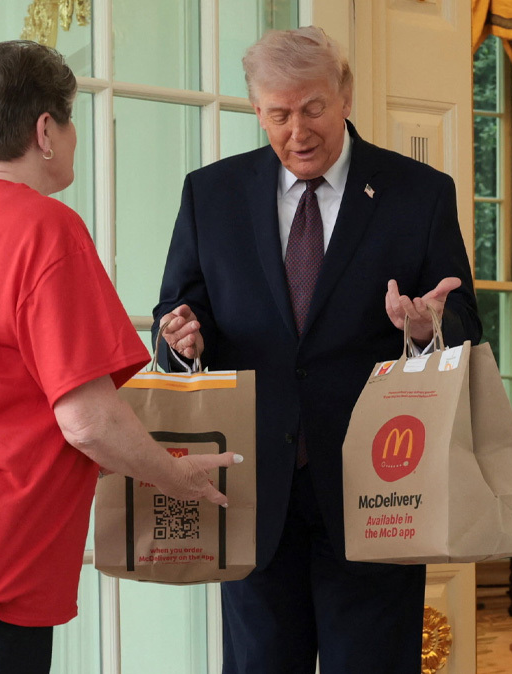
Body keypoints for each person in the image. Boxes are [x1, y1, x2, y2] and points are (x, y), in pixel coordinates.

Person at [0, 41, 240, 674]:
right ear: (44, 131)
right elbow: (86, 419)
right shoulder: (45, 228)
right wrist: (174, 476)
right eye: (68, 119)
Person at [154, 27, 482, 674]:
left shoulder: (418, 194)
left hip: (379, 490)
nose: (296, 131)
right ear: (257, 110)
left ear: (345, 97)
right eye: (278, 114)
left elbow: (463, 328)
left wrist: (422, 330)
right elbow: (177, 315)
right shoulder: (210, 195)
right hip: (250, 494)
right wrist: (180, 343)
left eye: (312, 109)